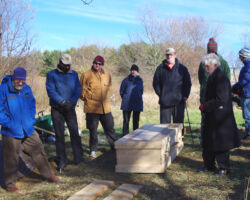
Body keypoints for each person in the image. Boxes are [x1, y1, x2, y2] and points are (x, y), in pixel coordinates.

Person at [0, 67, 59, 192]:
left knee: (38, 149)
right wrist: (9, 123)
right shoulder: (3, 89)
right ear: (13, 78)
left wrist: (31, 120)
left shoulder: (26, 89)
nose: (20, 83)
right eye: (18, 80)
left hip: (27, 128)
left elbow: (32, 105)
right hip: (11, 130)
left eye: (23, 80)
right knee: (11, 157)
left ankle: (48, 175)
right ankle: (10, 184)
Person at [198, 54, 240, 175]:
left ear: (215, 65)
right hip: (212, 114)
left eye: (207, 66)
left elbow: (221, 99)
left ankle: (223, 168)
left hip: (220, 116)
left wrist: (205, 106)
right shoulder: (213, 76)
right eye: (205, 66)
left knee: (220, 142)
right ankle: (209, 165)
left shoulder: (221, 78)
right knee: (208, 140)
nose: (206, 69)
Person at [46, 54, 83, 171]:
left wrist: (72, 102)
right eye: (65, 65)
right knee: (59, 135)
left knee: (74, 133)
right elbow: (51, 91)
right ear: (60, 63)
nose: (67, 67)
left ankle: (78, 157)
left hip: (70, 108)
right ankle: (62, 160)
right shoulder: (52, 74)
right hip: (57, 109)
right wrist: (61, 102)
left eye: (69, 65)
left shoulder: (74, 74)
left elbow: (78, 89)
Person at [80, 55, 117, 159]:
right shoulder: (86, 75)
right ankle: (93, 150)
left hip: (105, 107)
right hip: (92, 108)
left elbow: (109, 87)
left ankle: (115, 147)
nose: (97, 65)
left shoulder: (107, 75)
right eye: (95, 63)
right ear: (93, 63)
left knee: (110, 128)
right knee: (93, 130)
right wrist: (89, 98)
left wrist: (106, 96)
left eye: (99, 64)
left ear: (102, 65)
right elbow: (82, 91)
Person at [153, 48, 191, 132]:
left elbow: (188, 83)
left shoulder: (182, 68)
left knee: (178, 127)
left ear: (175, 55)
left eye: (171, 54)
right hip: (165, 102)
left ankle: (178, 145)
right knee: (164, 127)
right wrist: (161, 94)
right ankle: (165, 145)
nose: (169, 56)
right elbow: (155, 83)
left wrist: (185, 95)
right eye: (167, 55)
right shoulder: (160, 68)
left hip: (179, 102)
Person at [198, 38, 231, 104]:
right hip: (205, 95)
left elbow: (227, 79)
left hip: (219, 96)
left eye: (213, 52)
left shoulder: (223, 63)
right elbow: (201, 78)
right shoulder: (203, 63)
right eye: (210, 52)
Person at [120, 64, 143, 135]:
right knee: (126, 121)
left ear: (137, 71)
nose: (133, 72)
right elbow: (121, 91)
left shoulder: (140, 80)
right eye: (132, 70)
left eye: (135, 70)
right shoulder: (125, 80)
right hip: (127, 104)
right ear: (130, 71)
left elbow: (141, 91)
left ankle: (135, 136)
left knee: (136, 121)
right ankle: (125, 136)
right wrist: (125, 98)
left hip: (137, 103)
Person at [232, 48, 250, 142]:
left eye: (240, 55)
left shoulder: (248, 66)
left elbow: (245, 80)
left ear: (244, 56)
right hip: (246, 93)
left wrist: (234, 87)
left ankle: (248, 135)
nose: (239, 57)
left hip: (247, 94)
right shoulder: (246, 66)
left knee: (247, 116)